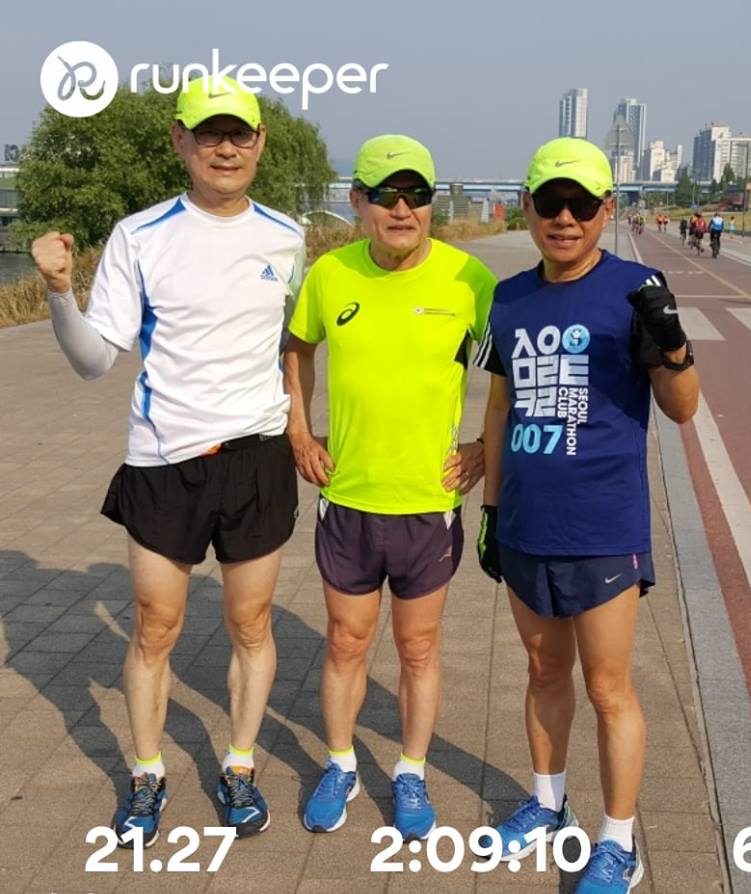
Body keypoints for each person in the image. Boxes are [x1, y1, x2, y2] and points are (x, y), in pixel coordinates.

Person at [30, 77, 305, 845]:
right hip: (163, 461)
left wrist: (308, 428)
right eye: (209, 132)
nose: (226, 147)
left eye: (240, 133)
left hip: (257, 458)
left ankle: (239, 766)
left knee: (251, 623)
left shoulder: (288, 237)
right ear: (180, 140)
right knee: (156, 626)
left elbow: (297, 344)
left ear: (259, 143)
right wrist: (59, 293)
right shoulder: (140, 235)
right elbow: (94, 360)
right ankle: (146, 773)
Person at [473, 137, 700, 894]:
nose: (564, 218)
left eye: (580, 204)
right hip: (527, 524)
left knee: (608, 689)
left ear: (607, 209)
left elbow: (682, 408)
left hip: (604, 528)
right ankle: (547, 803)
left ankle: (619, 842)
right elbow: (499, 409)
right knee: (543, 673)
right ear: (528, 208)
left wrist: (674, 345)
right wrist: (491, 510)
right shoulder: (508, 299)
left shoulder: (636, 290)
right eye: (550, 202)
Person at [283, 135, 496, 841]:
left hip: (427, 504)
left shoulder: (469, 280)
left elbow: (511, 373)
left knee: (418, 647)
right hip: (349, 497)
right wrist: (299, 432)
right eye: (386, 196)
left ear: (432, 203)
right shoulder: (329, 274)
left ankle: (411, 771)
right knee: (346, 642)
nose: (402, 210)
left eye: (417, 195)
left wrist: (484, 448)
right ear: (358, 202)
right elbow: (297, 348)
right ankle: (340, 764)